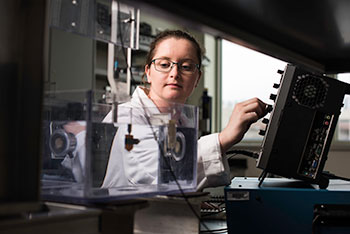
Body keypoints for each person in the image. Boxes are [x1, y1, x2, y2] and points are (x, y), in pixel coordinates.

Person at [62, 30, 267, 191]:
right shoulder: (127, 116)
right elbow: (154, 174)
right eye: (164, 64)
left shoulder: (181, 122)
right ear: (148, 72)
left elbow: (176, 185)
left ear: (197, 78)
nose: (175, 73)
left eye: (186, 66)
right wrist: (223, 139)